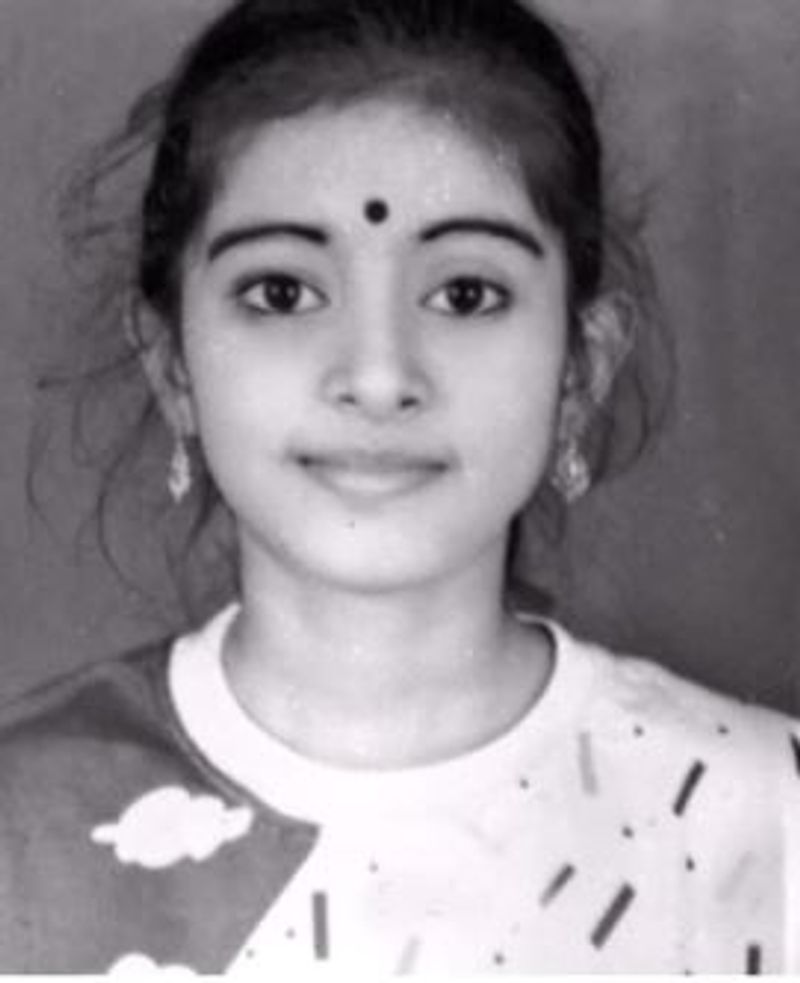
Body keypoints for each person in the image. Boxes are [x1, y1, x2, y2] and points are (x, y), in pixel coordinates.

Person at [2, 0, 798, 973]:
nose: (379, 376)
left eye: (465, 294)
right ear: (173, 366)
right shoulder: (20, 827)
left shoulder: (766, 820)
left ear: (580, 367)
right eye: (283, 292)